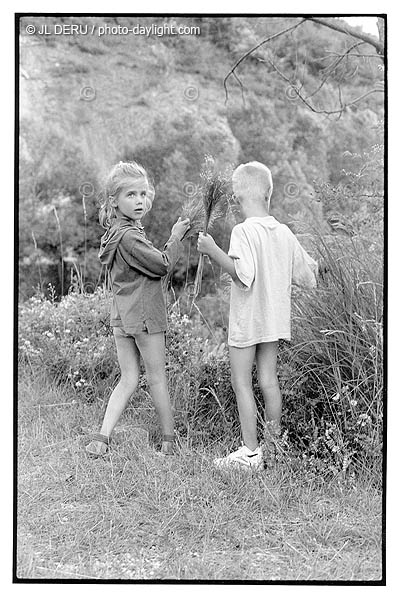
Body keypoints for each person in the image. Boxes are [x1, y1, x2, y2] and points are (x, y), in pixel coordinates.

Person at [197, 161, 318, 471]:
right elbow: (308, 277)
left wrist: (212, 251)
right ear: (269, 192)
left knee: (242, 383)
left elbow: (242, 275)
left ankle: (250, 453)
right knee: (268, 381)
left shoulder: (242, 231)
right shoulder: (284, 233)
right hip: (274, 321)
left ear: (238, 197)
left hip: (247, 320)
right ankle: (273, 448)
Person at [86, 160, 190, 457]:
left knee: (129, 377)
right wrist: (176, 237)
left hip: (122, 318)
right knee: (157, 377)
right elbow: (162, 265)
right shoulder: (130, 236)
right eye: (131, 195)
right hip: (144, 317)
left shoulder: (115, 233)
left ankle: (102, 438)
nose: (140, 201)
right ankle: (169, 442)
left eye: (143, 194)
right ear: (114, 201)